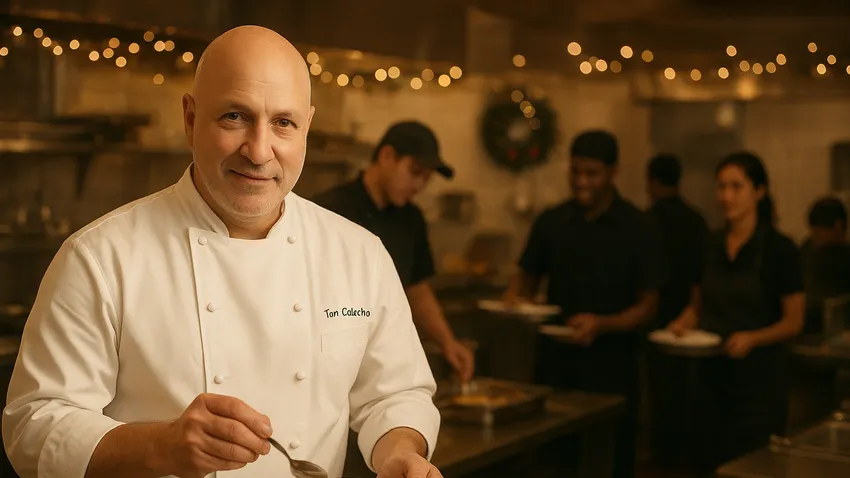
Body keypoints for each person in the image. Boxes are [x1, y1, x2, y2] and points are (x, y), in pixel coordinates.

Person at [2, 26, 442, 478]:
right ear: (191, 119)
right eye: (235, 116)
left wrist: (398, 453)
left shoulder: (360, 255)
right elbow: (33, 425)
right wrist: (159, 446)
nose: (259, 150)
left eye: (283, 123)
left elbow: (395, 394)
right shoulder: (100, 257)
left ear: (306, 127)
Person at [503, 130, 663, 478]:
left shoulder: (637, 226)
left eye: (592, 174)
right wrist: (517, 300)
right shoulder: (553, 221)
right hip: (555, 369)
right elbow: (525, 277)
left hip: (613, 371)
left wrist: (603, 324)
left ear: (613, 173)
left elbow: (648, 305)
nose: (581, 182)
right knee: (553, 464)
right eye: (575, 172)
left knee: (607, 464)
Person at [668, 151, 804, 473]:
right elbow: (696, 307)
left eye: (736, 186)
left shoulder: (780, 249)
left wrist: (754, 338)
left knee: (753, 469)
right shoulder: (709, 244)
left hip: (759, 386)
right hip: (710, 380)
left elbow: (793, 321)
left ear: (759, 191)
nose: (726, 196)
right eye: (721, 187)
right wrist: (681, 325)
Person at [312, 121, 475, 383]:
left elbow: (416, 288)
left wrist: (448, 343)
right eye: (415, 172)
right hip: (330, 358)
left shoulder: (412, 218)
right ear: (387, 156)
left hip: (384, 357)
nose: (419, 185)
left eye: (426, 178)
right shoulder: (329, 210)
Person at [644, 154, 708, 465]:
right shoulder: (696, 220)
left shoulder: (648, 220)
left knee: (661, 393)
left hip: (656, 316)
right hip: (692, 316)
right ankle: (686, 454)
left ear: (652, 182)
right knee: (687, 391)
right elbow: (702, 274)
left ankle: (663, 456)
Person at [801, 197, 850, 334]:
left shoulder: (845, 258)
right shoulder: (807, 250)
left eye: (819, 231)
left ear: (837, 226)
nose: (814, 236)